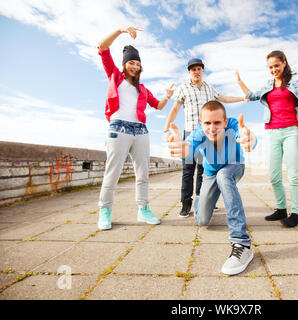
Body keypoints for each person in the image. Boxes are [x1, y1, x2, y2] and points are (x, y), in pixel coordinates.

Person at [236, 23, 298, 228]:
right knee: (274, 174)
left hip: (292, 131)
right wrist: (240, 81)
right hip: (272, 132)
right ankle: (280, 209)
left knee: (294, 174)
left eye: (276, 65)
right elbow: (250, 96)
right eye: (270, 67)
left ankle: (295, 213)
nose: (273, 70)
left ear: (284, 63)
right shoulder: (268, 86)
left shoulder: (296, 80)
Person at [97, 27, 175, 230]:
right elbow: (102, 47)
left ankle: (143, 209)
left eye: (138, 63)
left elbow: (157, 106)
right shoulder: (115, 75)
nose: (135, 66)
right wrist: (120, 30)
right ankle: (105, 211)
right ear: (124, 65)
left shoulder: (143, 89)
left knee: (143, 175)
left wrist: (167, 95)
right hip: (118, 129)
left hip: (141, 131)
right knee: (112, 173)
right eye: (132, 62)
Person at [166, 100, 257, 275]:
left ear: (225, 121)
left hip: (234, 166)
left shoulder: (233, 125)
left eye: (217, 123)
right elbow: (188, 148)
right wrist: (181, 148)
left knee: (224, 176)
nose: (212, 128)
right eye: (207, 123)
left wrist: (250, 139)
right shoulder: (199, 133)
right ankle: (203, 200)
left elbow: (247, 135)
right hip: (209, 174)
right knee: (202, 220)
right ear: (201, 123)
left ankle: (242, 242)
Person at [163, 58, 248, 218]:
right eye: (193, 69)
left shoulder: (209, 88)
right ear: (189, 72)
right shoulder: (184, 89)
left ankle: (204, 200)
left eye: (198, 69)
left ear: (202, 71)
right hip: (191, 134)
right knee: (188, 171)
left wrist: (241, 98)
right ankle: (186, 203)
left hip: (209, 135)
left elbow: (224, 98)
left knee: (204, 170)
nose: (196, 71)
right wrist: (167, 128)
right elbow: (175, 109)